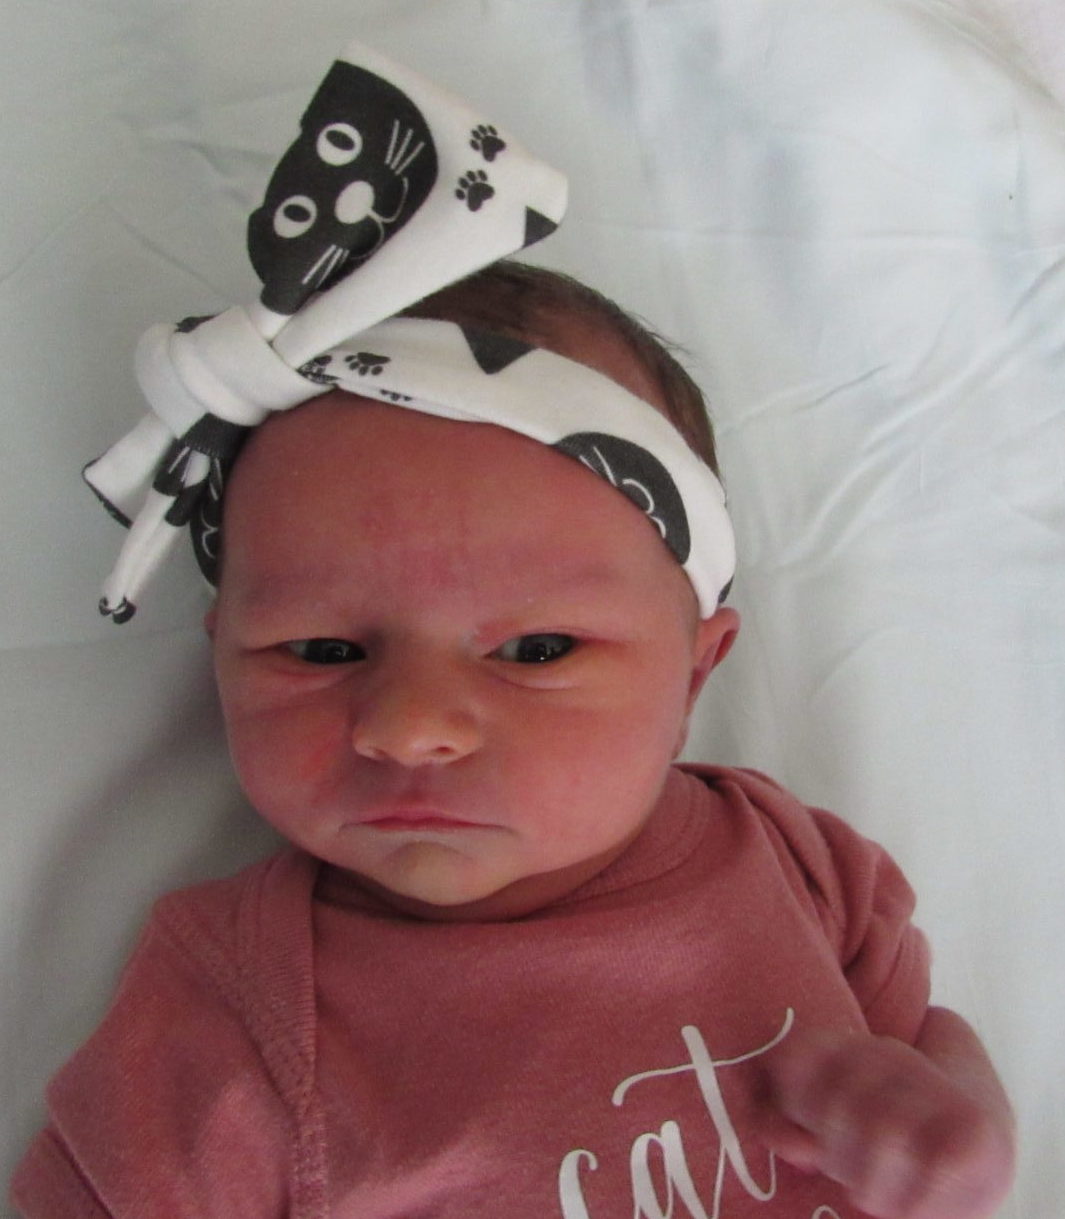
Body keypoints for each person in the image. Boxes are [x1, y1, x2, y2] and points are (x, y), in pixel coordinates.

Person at [12, 44, 1015, 1219]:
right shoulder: (238, 1001)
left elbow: (924, 1036)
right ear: (220, 656)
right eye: (322, 651)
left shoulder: (795, 864)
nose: (410, 726)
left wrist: (960, 1130)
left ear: (697, 672)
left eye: (536, 652)